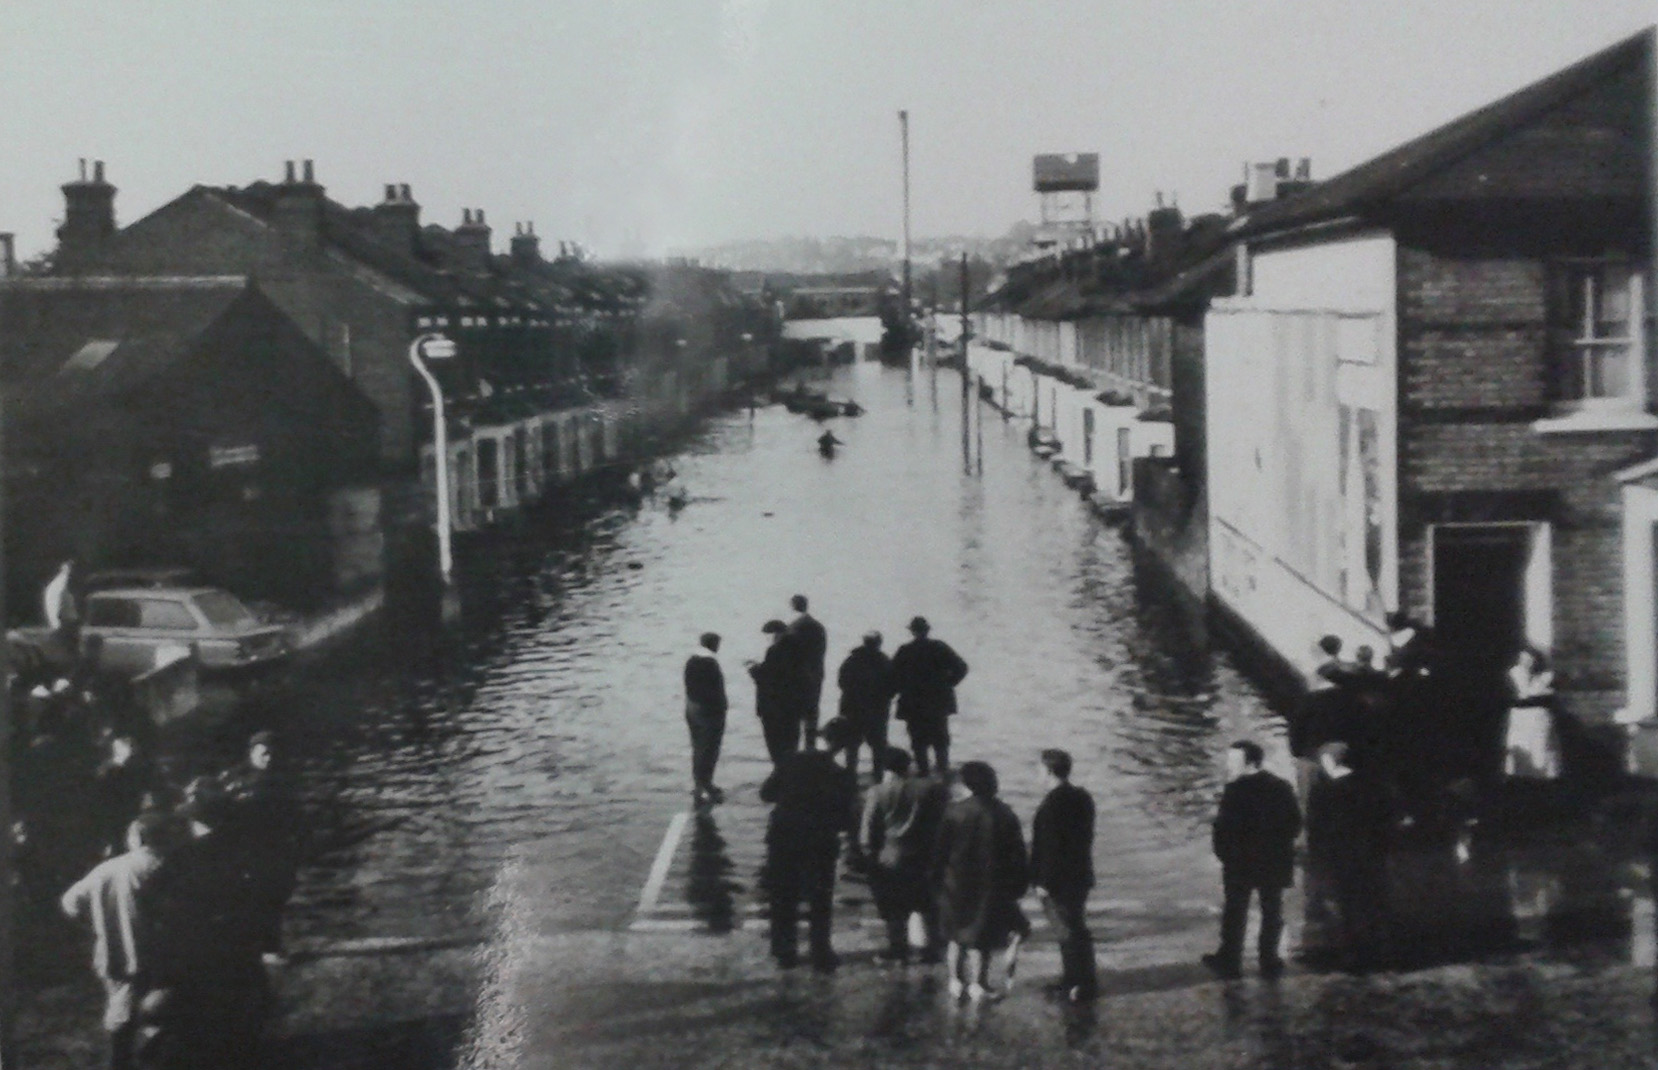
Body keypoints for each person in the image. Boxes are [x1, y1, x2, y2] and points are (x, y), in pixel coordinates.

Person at [141, 781, 270, 1070]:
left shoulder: (180, 858)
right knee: (238, 1026)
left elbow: (154, 902)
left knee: (196, 1030)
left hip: (193, 956)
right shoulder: (244, 852)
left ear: (194, 820)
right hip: (237, 952)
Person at [61, 813, 171, 1070]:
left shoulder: (106, 869)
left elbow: (71, 903)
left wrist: (99, 928)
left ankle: (120, 1062)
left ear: (134, 838)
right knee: (160, 1015)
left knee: (121, 1017)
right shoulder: (165, 866)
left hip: (114, 956)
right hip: (155, 957)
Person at [760, 717, 859, 971]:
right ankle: (820, 950)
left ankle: (784, 950)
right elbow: (847, 820)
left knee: (783, 894)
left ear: (824, 735)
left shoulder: (793, 760)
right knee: (820, 898)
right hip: (820, 840)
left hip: (784, 834)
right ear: (847, 745)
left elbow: (766, 793)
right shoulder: (843, 776)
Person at [1203, 741, 1301, 980]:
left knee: (1235, 910)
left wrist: (1223, 853)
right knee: (1272, 909)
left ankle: (1230, 958)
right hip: (1274, 859)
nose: (1228, 765)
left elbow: (1223, 827)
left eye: (1233, 761)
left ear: (1249, 762)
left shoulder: (1235, 791)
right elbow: (1294, 822)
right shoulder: (1281, 787)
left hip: (1240, 861)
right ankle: (1269, 958)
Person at [932, 761, 1028, 1001]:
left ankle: (956, 981)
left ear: (966, 784)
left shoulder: (953, 812)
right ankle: (979, 983)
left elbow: (939, 852)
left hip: (955, 882)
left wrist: (935, 880)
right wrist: (1019, 885)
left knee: (956, 935)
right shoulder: (1005, 813)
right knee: (981, 938)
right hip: (991, 884)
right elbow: (1018, 854)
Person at [1306, 741, 1393, 972]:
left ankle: (1352, 952)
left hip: (1340, 855)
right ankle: (1377, 948)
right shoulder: (1369, 786)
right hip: (1368, 854)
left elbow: (1316, 826)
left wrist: (1316, 856)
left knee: (1345, 904)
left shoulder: (1324, 790)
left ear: (1328, 761)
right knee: (1370, 901)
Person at [220, 731, 304, 965]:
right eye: (264, 753)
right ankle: (262, 948)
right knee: (256, 898)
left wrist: (298, 841)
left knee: (275, 896)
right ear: (252, 753)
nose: (269, 758)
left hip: (276, 847)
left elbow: (294, 814)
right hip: (246, 849)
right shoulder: (234, 778)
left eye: (273, 754)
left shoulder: (281, 779)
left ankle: (266, 946)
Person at [858, 747, 948, 963]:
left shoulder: (877, 792)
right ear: (909, 765)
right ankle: (932, 951)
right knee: (927, 906)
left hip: (891, 857)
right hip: (924, 855)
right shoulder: (931, 789)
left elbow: (866, 834)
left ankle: (898, 951)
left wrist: (870, 856)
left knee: (895, 911)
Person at [1031, 749, 1098, 1002]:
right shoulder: (1082, 797)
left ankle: (1074, 983)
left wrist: (1043, 882)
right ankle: (1084, 979)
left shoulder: (1051, 805)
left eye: (1038, 770)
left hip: (1057, 880)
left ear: (1048, 771)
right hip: (1080, 873)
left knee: (1066, 932)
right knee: (1077, 927)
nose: (1037, 775)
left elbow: (1049, 847)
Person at [890, 617, 969, 776]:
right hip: (937, 703)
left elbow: (892, 676)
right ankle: (943, 774)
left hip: (913, 704)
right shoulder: (939, 647)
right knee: (941, 742)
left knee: (918, 743)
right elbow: (962, 667)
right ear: (928, 630)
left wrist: (902, 689)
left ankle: (923, 774)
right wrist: (948, 683)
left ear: (912, 631)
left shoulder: (905, 650)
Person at [835, 631, 893, 782]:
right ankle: (878, 778)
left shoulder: (852, 660)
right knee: (878, 747)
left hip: (853, 709)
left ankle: (850, 778)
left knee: (852, 746)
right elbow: (892, 685)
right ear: (879, 643)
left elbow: (842, 682)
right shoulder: (884, 661)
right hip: (877, 710)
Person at [748, 620, 805, 768]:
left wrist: (753, 669)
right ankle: (790, 774)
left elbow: (768, 678)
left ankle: (781, 775)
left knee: (776, 746)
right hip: (793, 705)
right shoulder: (799, 650)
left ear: (776, 634)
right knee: (791, 743)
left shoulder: (774, 651)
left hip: (773, 707)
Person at [91, 734, 157, 858]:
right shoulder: (107, 772)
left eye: (133, 747)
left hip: (130, 814)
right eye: (128, 747)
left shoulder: (137, 769)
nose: (132, 749)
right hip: (115, 817)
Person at [684, 632, 729, 805]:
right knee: (710, 748)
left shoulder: (691, 660)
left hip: (692, 707)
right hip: (710, 711)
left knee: (697, 747)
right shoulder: (710, 663)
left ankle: (698, 784)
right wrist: (722, 708)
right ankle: (706, 784)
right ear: (713, 644)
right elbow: (716, 690)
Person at [1502, 647, 1559, 779]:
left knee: (1540, 751)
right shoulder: (1516, 672)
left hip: (1539, 719)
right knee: (1522, 751)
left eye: (1530, 659)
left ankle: (1541, 777)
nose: (1526, 662)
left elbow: (1550, 694)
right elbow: (1523, 693)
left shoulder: (1544, 676)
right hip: (1521, 718)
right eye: (1523, 659)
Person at [787, 595, 828, 747]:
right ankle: (810, 749)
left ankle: (795, 756)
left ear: (793, 606)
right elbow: (822, 651)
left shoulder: (793, 627)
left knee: (795, 717)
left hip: (797, 678)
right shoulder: (818, 627)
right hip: (815, 675)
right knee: (812, 714)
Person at [44, 558, 79, 646]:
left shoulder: (64, 586)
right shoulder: (59, 586)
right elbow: (54, 605)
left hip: (68, 622)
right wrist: (56, 624)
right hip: (65, 623)